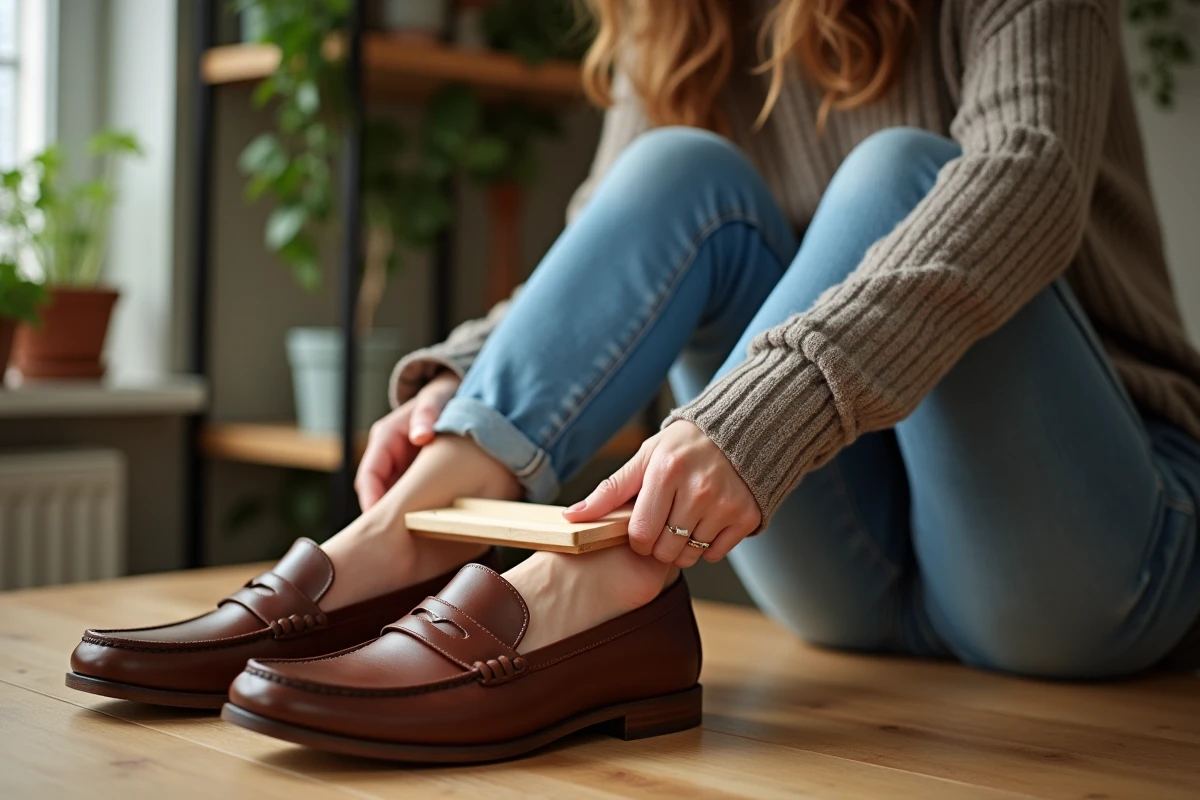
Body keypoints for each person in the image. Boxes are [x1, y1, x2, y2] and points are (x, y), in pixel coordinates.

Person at [71, 0, 1200, 761]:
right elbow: (609, 248)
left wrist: (763, 412)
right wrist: (464, 383)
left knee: (904, 172)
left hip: (1090, 555)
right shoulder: (683, 16)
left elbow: (1030, 177)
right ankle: (403, 540)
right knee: (674, 169)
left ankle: (592, 592)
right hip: (853, 574)